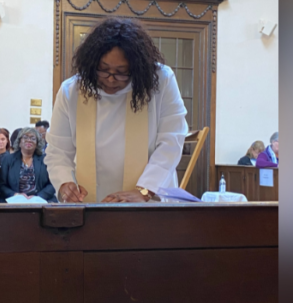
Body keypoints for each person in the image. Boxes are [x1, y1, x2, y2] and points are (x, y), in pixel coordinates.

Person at [44, 17, 188, 203]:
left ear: (137, 68)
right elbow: (58, 150)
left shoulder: (161, 81)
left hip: (149, 200)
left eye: (121, 72)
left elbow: (171, 141)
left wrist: (145, 191)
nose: (111, 79)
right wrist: (65, 184)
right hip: (90, 204)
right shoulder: (71, 91)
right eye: (103, 70)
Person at [0, 127, 58, 203]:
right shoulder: (8, 159)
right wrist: (15, 194)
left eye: (33, 138)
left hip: (40, 200)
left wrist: (39, 196)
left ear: (37, 143)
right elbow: (2, 185)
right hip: (15, 200)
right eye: (25, 137)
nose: (29, 140)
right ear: (19, 142)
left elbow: (52, 184)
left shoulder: (45, 160)